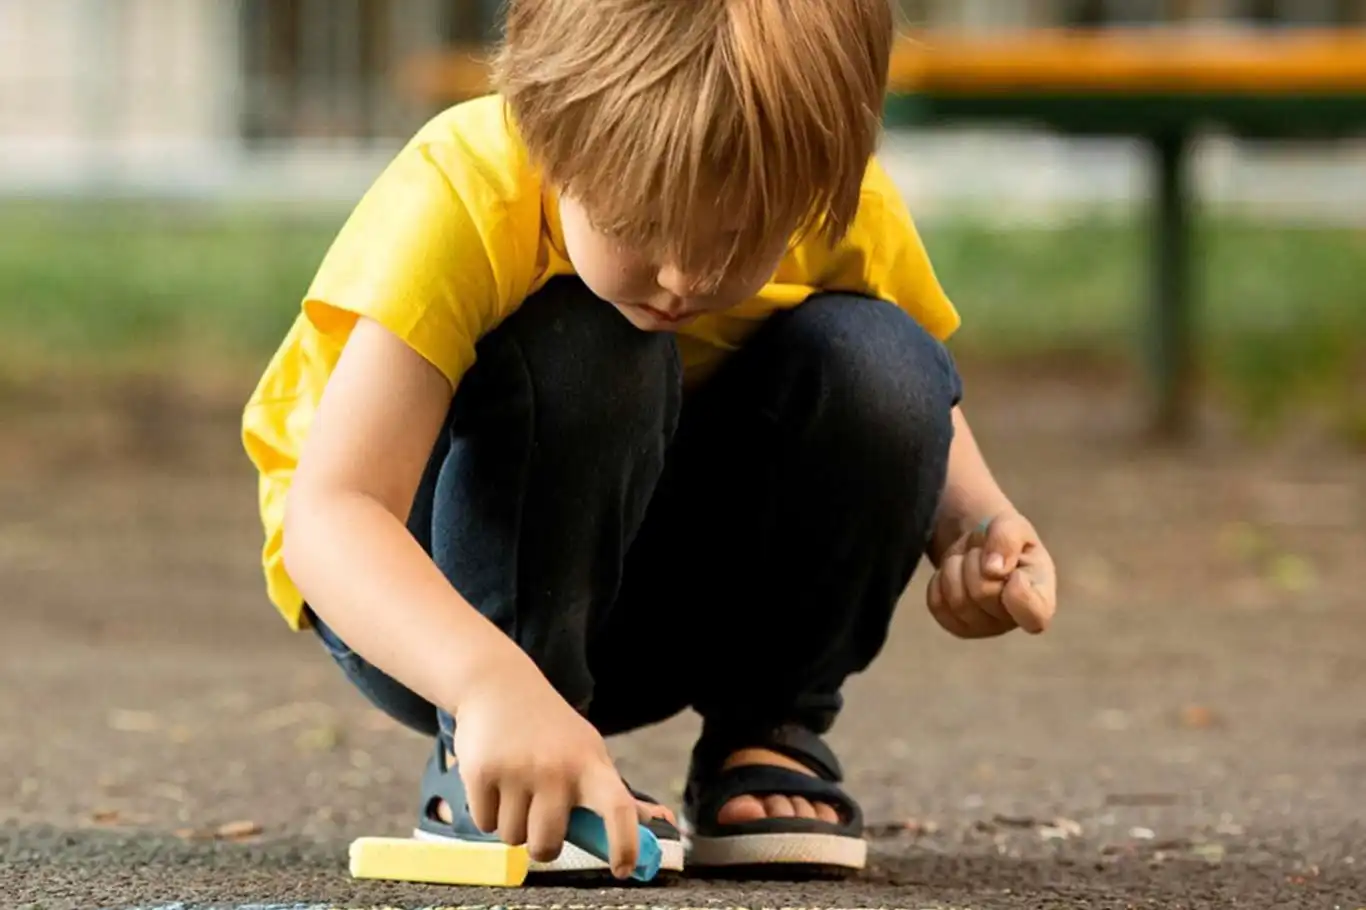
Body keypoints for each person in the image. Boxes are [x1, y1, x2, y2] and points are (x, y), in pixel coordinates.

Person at [242, 0, 1059, 883]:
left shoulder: (825, 191)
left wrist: (980, 530)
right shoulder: (469, 184)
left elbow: (909, 403)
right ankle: (495, 766)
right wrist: (486, 686)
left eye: (741, 237)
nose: (686, 277)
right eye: (639, 227)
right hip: (432, 608)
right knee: (591, 343)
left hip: (658, 597)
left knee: (884, 358)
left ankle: (768, 729)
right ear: (549, 130)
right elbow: (333, 515)